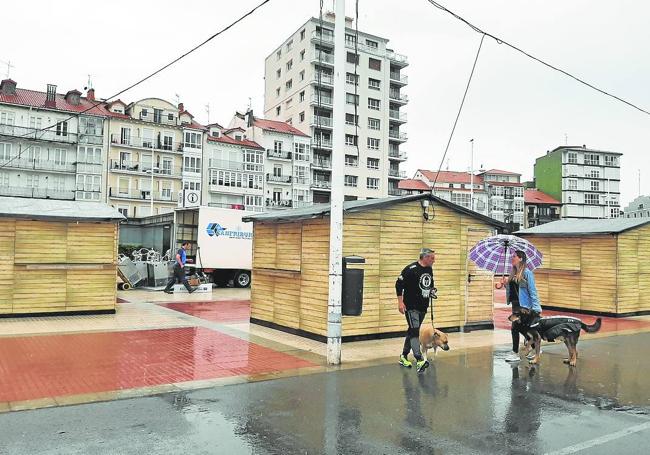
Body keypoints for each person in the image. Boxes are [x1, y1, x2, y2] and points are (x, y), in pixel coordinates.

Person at [396, 248, 436, 373]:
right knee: (414, 331)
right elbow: (398, 284)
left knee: (412, 330)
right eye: (432, 258)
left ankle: (403, 356)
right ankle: (419, 359)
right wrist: (400, 302)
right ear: (425, 257)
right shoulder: (410, 269)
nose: (434, 260)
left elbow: (429, 284)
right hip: (411, 306)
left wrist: (432, 291)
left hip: (423, 306)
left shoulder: (429, 269)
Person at [501, 250, 542, 362]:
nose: (512, 258)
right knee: (523, 329)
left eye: (514, 256)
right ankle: (535, 347)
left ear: (520, 258)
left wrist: (536, 308)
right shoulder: (513, 272)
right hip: (515, 305)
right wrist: (505, 284)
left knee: (515, 328)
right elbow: (514, 291)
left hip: (524, 307)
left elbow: (532, 291)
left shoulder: (527, 273)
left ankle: (515, 353)